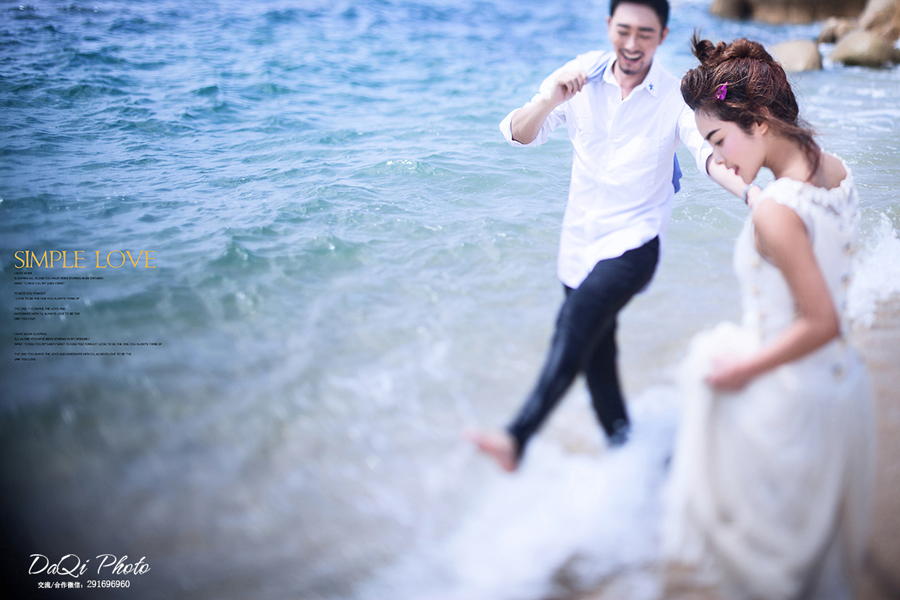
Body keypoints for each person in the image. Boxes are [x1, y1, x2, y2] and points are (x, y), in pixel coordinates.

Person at [466, 0, 749, 472]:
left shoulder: (674, 95)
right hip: (579, 244)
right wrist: (550, 99)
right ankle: (637, 464)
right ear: (608, 26)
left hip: (635, 244)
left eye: (645, 33)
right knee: (598, 362)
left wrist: (754, 194)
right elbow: (519, 133)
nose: (632, 44)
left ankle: (517, 436)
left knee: (574, 321)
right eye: (623, 30)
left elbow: (708, 155)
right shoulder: (580, 75)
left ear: (663, 36)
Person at [663, 36, 876, 600]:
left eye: (718, 140)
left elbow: (821, 321)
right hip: (843, 390)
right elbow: (800, 235)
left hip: (794, 405)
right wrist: (746, 188)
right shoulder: (833, 170)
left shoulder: (778, 213)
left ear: (758, 121)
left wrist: (741, 371)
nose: (719, 157)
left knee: (772, 573)